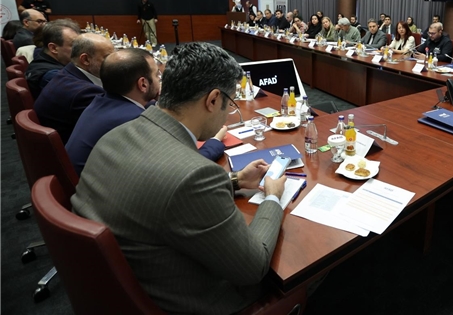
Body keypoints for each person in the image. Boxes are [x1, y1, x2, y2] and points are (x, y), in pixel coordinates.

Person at [71, 42, 287, 315]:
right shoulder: (193, 176)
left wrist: (235, 180)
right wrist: (272, 198)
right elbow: (253, 267)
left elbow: (158, 194)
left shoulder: (116, 135)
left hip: (114, 291)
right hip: (189, 300)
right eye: (229, 104)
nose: (227, 113)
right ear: (213, 100)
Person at [65, 49, 228, 176]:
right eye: (157, 75)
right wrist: (214, 141)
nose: (160, 79)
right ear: (143, 84)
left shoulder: (102, 101)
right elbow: (184, 168)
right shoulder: (135, 121)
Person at [34, 33, 115, 143]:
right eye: (108, 57)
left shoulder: (67, 73)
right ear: (85, 60)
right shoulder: (84, 93)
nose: (114, 63)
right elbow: (114, 126)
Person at [25, 19, 81, 99]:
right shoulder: (52, 76)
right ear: (53, 48)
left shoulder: (43, 58)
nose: (81, 50)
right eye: (74, 45)